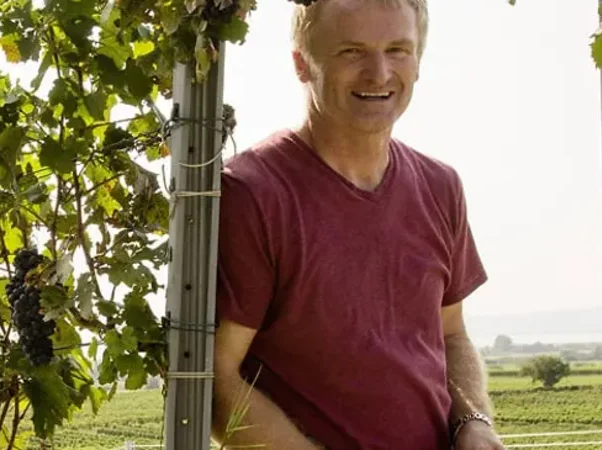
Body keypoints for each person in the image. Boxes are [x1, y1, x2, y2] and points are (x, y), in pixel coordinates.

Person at [209, 1, 506, 449]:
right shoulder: (251, 193)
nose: (379, 74)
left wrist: (474, 422)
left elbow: (451, 334)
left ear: (418, 60)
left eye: (397, 50)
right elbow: (216, 378)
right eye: (352, 51)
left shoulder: (440, 187)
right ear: (301, 63)